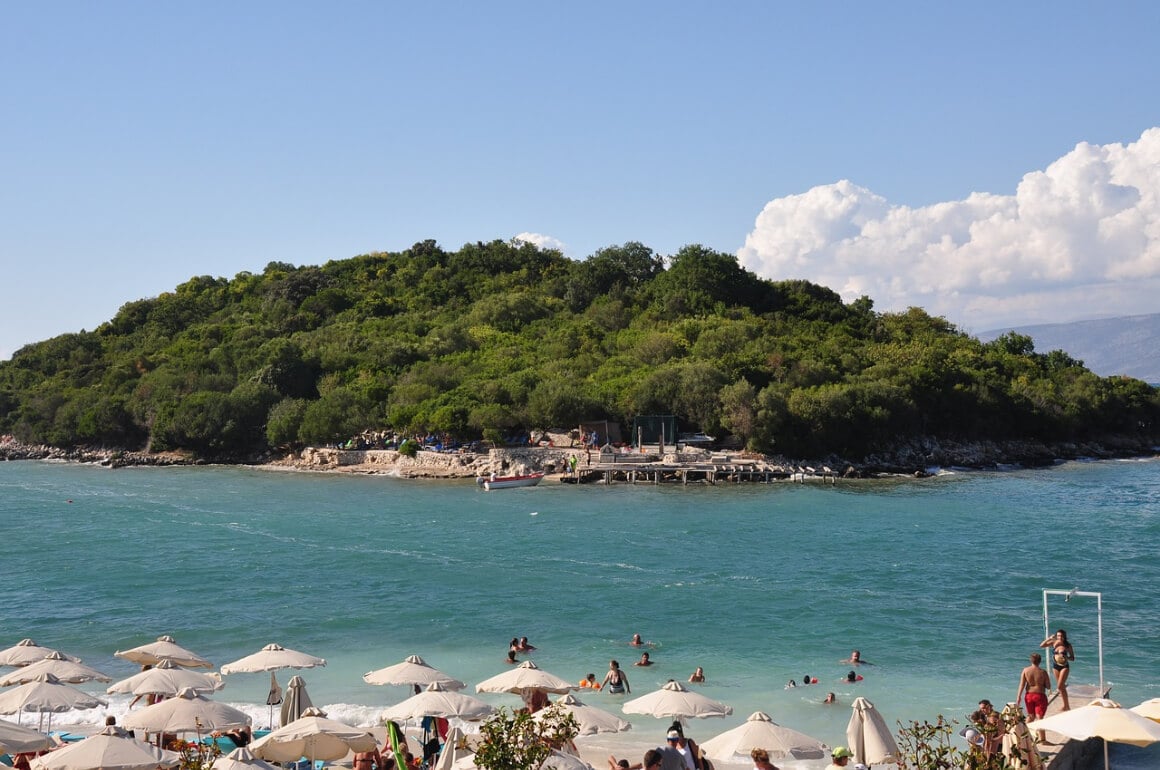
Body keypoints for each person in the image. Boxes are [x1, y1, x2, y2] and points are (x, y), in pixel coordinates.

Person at [1017, 652, 1051, 741]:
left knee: (1031, 716)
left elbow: (1022, 684)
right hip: (1040, 696)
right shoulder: (1043, 672)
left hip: (1028, 695)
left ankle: (1021, 736)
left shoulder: (1025, 670)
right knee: (1039, 717)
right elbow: (1048, 686)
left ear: (1031, 660)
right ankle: (1043, 739)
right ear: (1040, 661)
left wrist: (1019, 696)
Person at [1041, 629, 1075, 711]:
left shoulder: (1068, 645)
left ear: (1064, 637)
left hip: (1064, 666)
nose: (1060, 637)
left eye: (1062, 636)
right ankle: (1066, 706)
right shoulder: (1054, 643)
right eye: (1059, 635)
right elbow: (1042, 645)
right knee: (1061, 687)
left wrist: (1067, 657)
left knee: (1060, 685)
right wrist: (1049, 638)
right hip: (1055, 666)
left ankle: (1066, 706)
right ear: (1056, 636)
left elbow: (1073, 658)